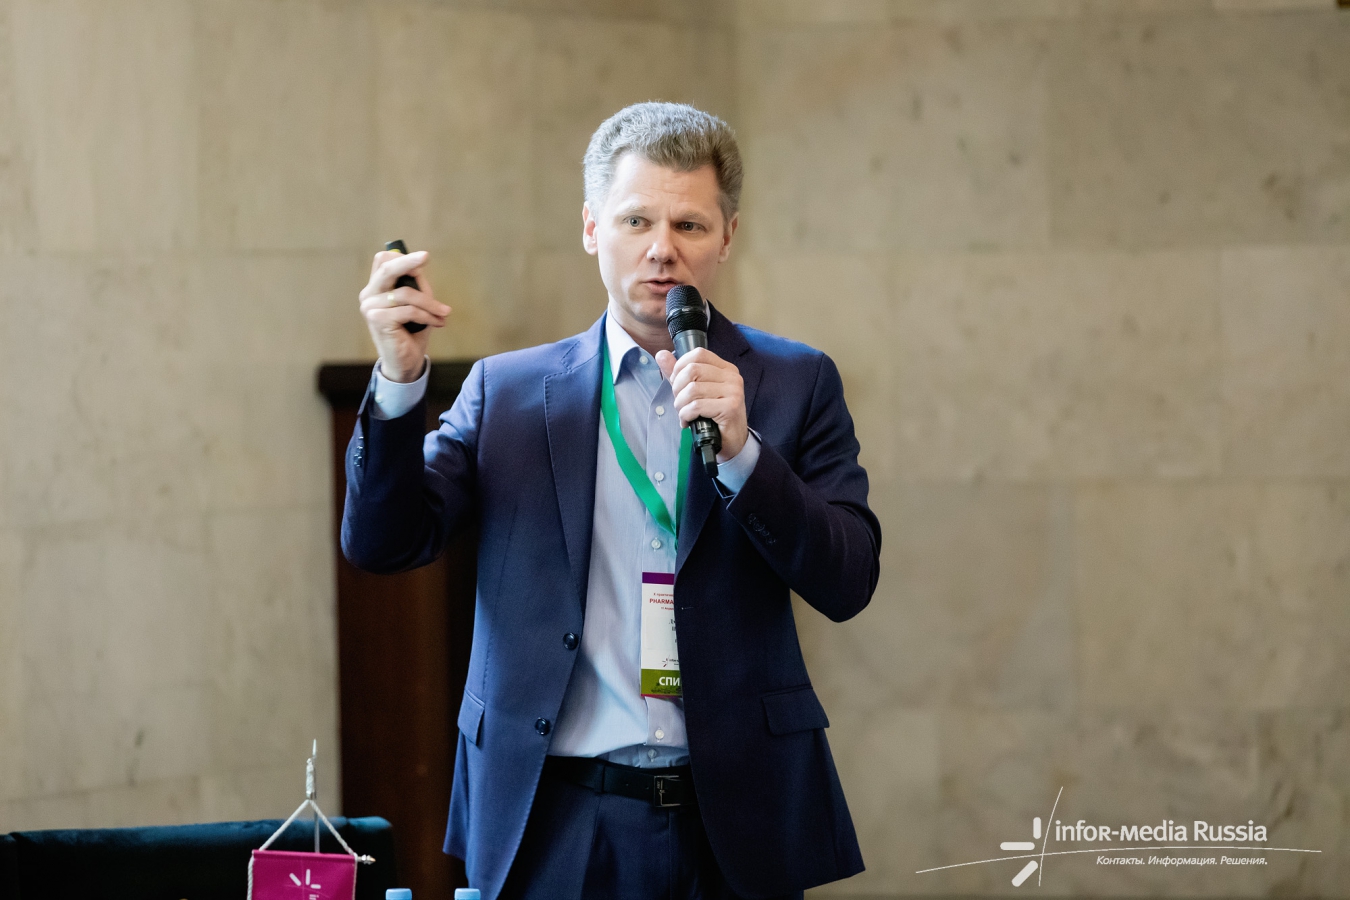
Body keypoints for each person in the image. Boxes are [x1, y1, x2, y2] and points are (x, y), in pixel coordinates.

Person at [342, 102, 881, 900]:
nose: (662, 249)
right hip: (555, 817)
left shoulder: (794, 383)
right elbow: (383, 543)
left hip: (737, 818)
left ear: (728, 236)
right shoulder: (508, 393)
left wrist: (744, 454)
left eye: (690, 225)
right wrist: (397, 378)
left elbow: (850, 579)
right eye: (636, 220)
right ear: (593, 227)